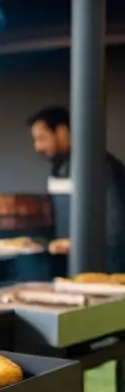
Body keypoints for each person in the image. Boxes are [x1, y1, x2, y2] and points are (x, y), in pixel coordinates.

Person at [27, 105, 125, 271]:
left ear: (62, 132)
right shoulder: (59, 168)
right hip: (70, 266)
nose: (38, 147)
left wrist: (80, 245)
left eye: (42, 138)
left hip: (103, 269)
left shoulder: (99, 167)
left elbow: (117, 225)